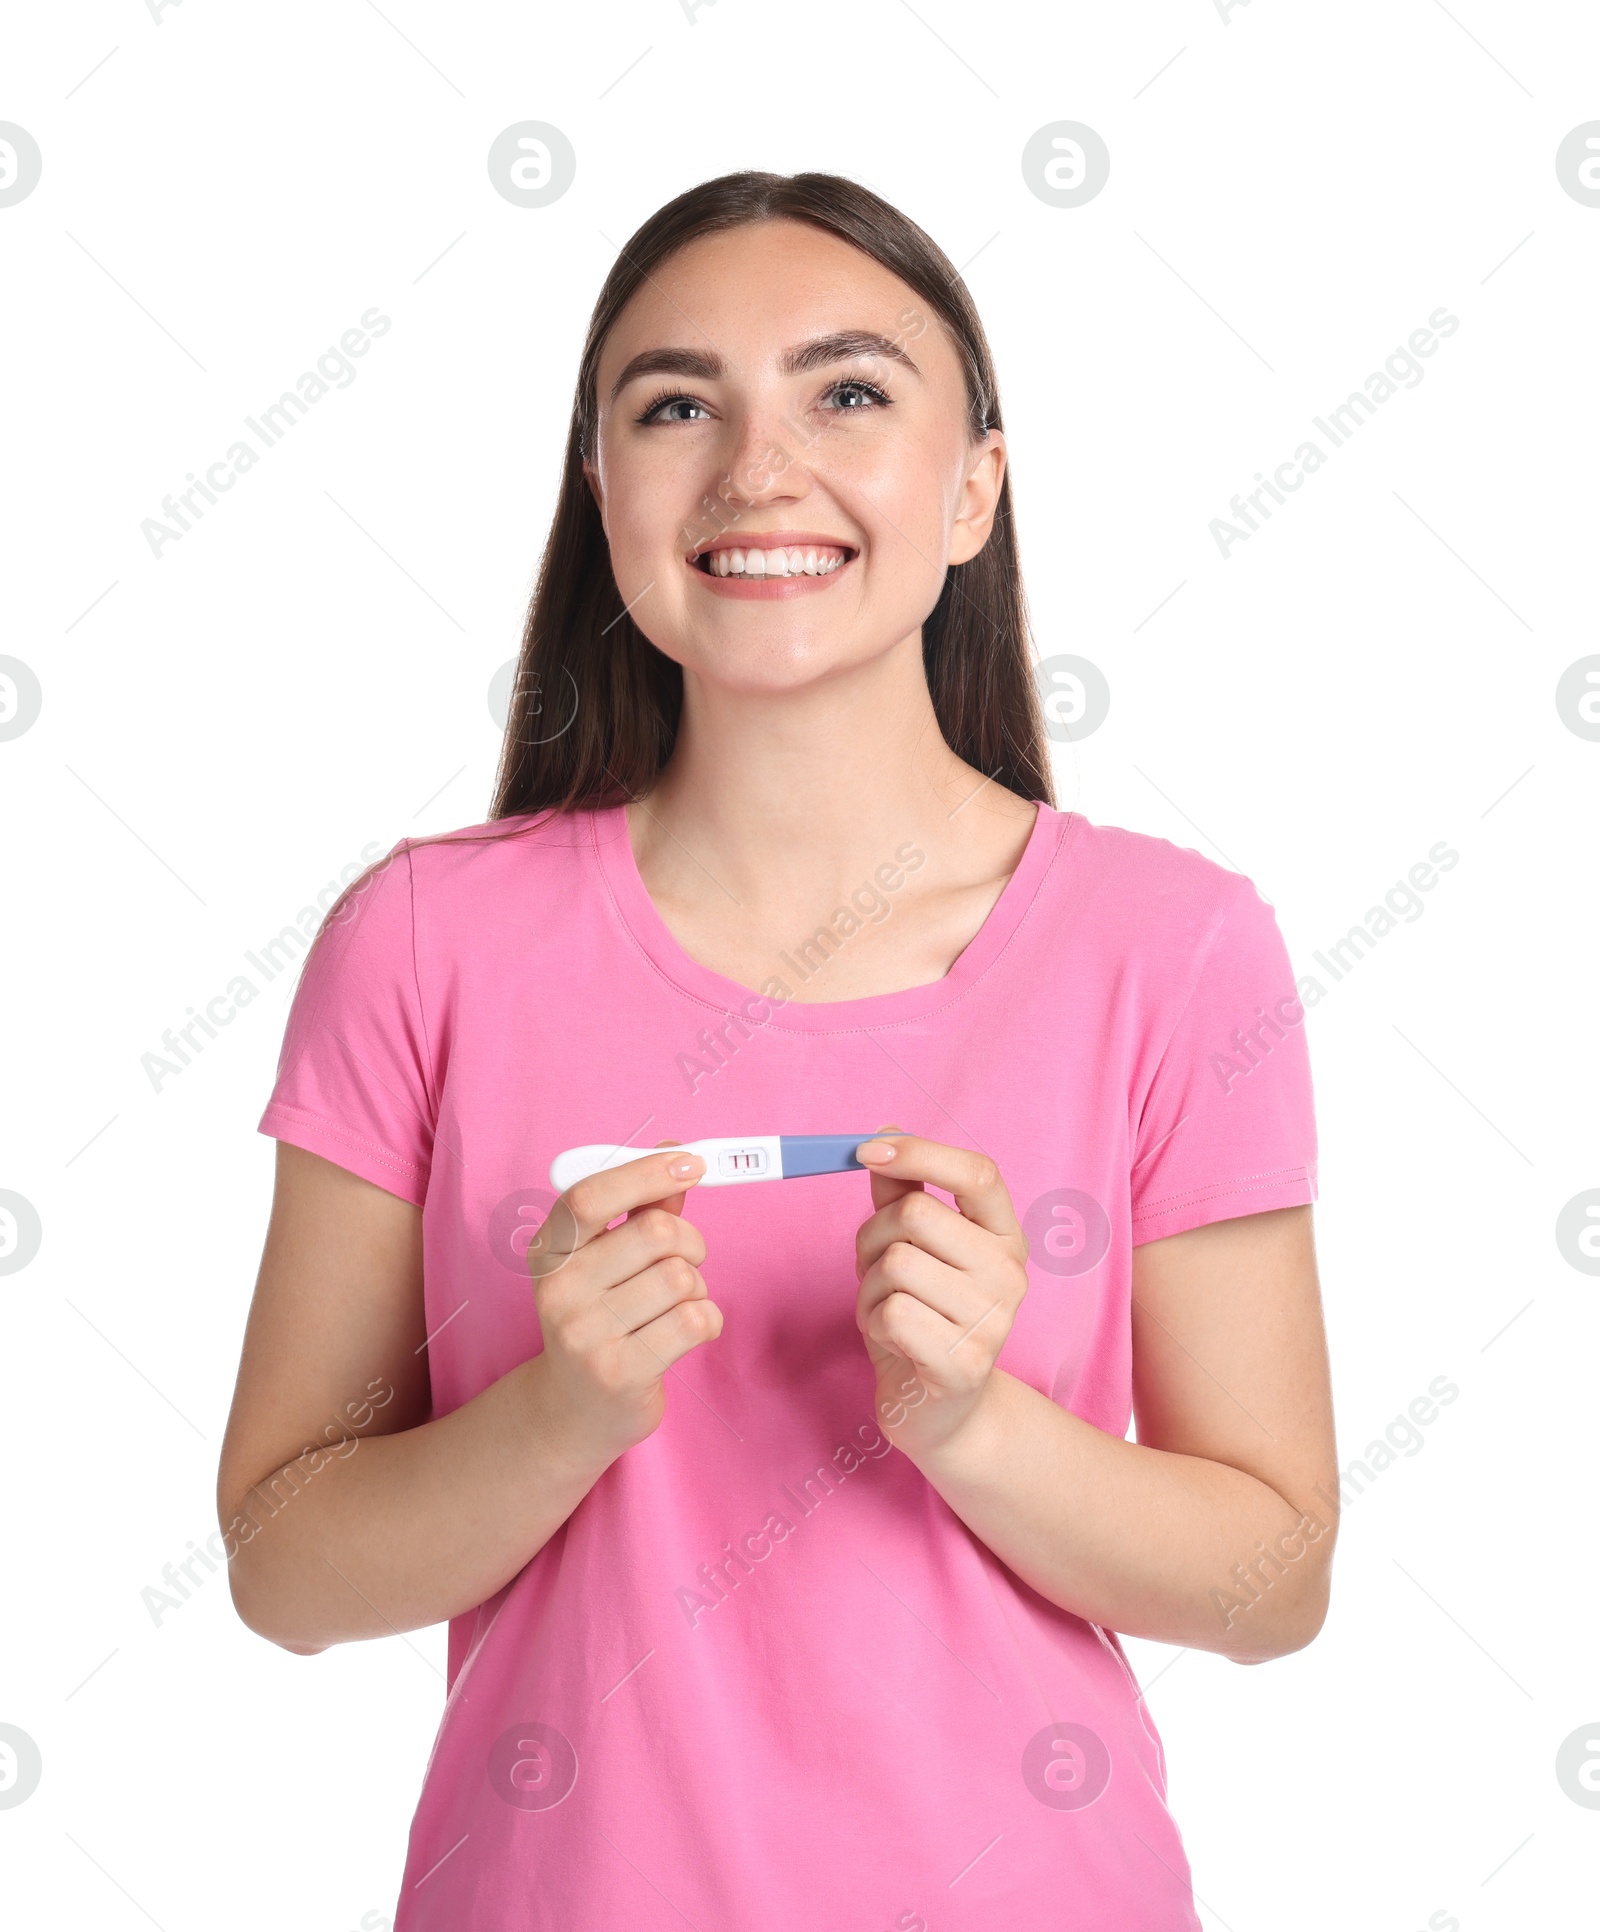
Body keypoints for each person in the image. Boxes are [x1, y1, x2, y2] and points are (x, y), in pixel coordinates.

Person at [218, 170, 1336, 1931]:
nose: (757, 470)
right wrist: (556, 1420)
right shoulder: (423, 945)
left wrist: (974, 1426)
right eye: (677, 406)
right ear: (604, 492)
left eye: (850, 393)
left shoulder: (1174, 951)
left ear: (974, 486)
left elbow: (1274, 1581)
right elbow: (282, 1567)